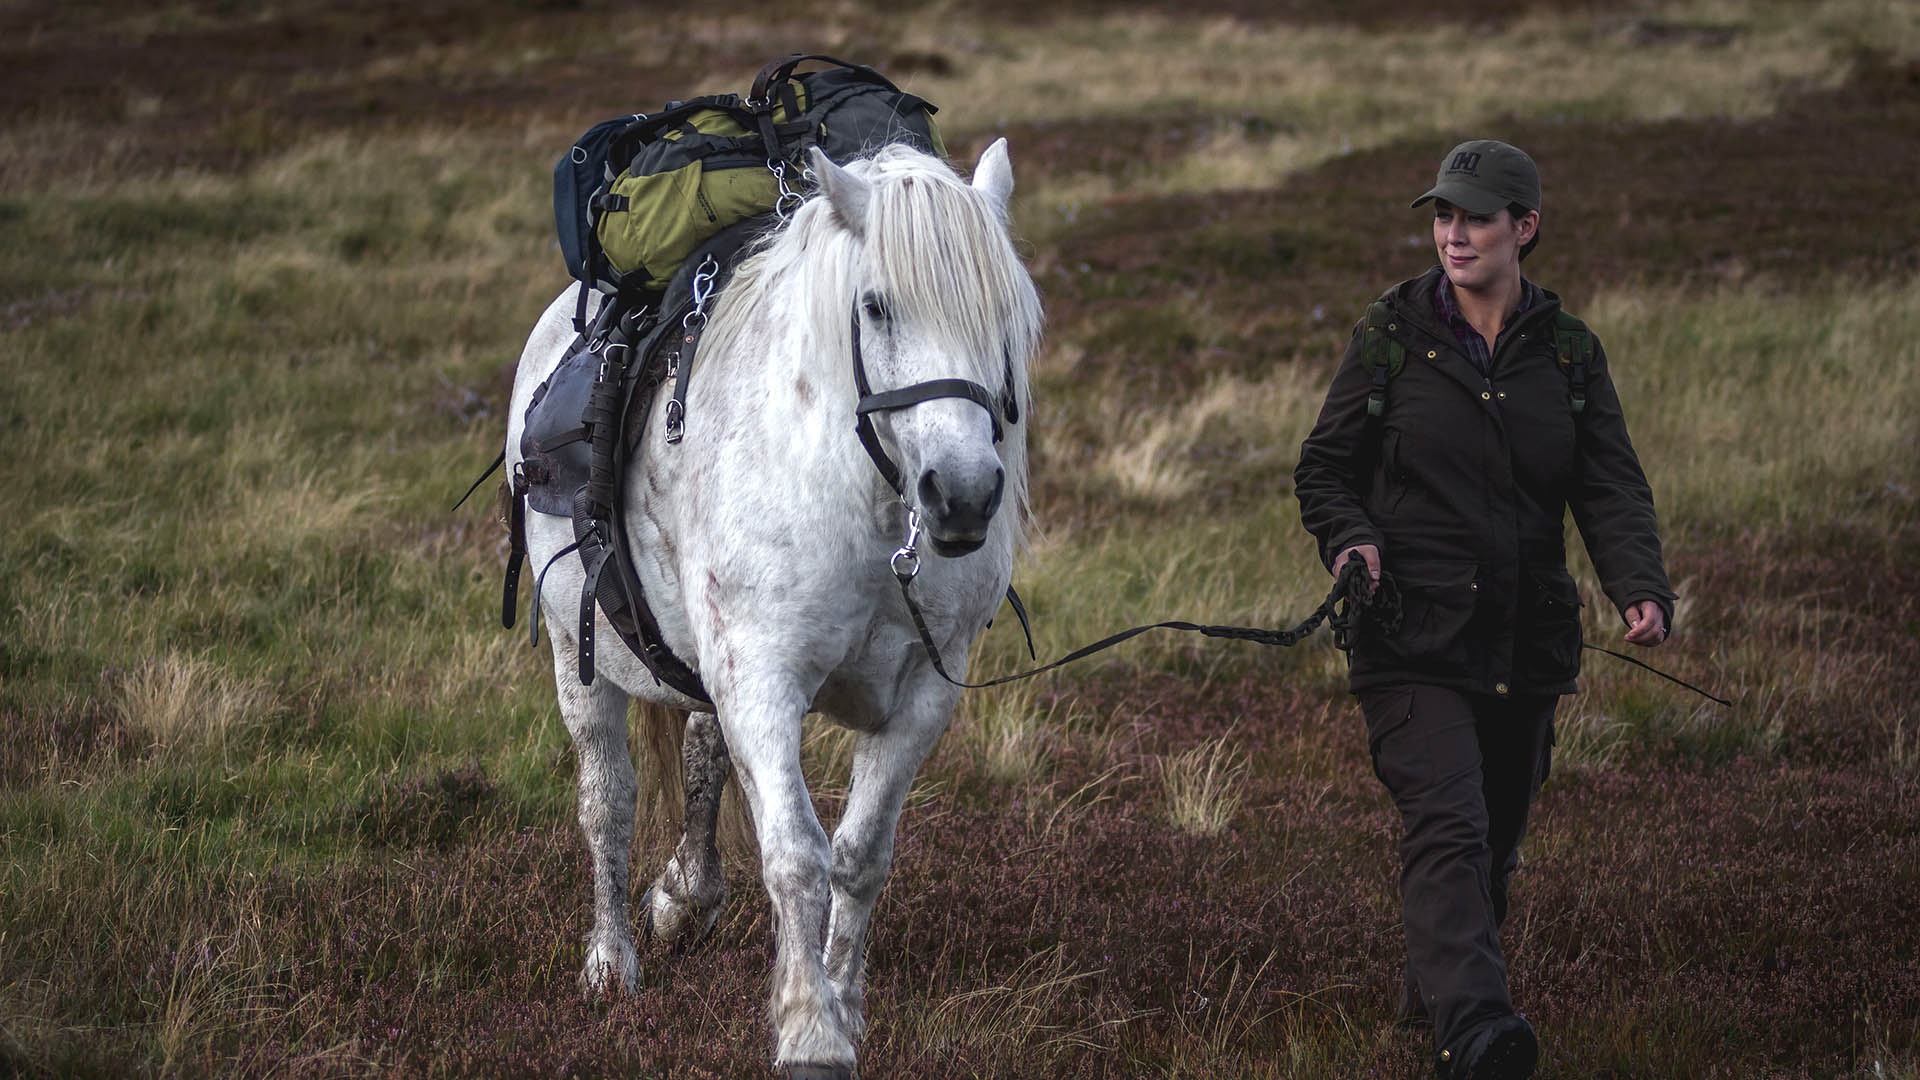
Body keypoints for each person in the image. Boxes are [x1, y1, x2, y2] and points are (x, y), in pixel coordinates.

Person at [1292, 139, 1676, 1079]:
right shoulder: (1390, 333)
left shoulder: (1571, 352)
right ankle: (1479, 1035)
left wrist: (1640, 585)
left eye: (1474, 217)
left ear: (1526, 228)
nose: (1453, 234)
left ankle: (1436, 998)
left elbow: (1610, 485)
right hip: (1406, 634)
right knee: (1450, 824)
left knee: (1495, 841)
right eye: (1442, 216)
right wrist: (1353, 540)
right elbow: (1324, 468)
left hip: (1526, 638)